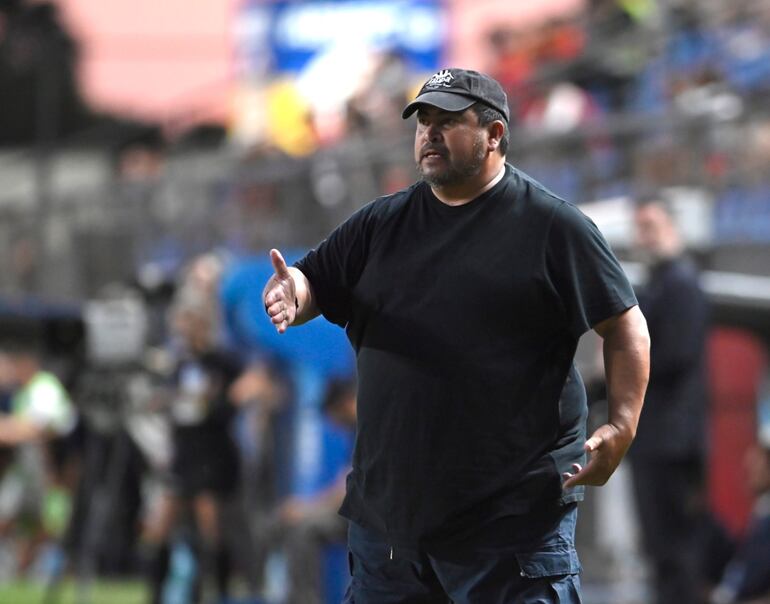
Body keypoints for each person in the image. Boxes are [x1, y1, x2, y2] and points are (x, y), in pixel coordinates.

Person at [262, 67, 650, 603]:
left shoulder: (551, 226)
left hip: (509, 527)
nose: (430, 134)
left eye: (448, 121)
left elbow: (625, 325)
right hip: (392, 531)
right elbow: (314, 280)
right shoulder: (381, 224)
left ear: (495, 135)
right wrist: (292, 293)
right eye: (423, 122)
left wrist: (623, 425)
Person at [630, 195, 710, 604]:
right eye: (640, 226)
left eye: (652, 225)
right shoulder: (659, 282)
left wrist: (621, 374)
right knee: (662, 550)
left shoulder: (680, 281)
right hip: (656, 437)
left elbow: (676, 354)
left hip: (672, 441)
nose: (645, 235)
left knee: (676, 550)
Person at [141, 294, 242, 604]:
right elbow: (170, 406)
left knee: (211, 525)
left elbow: (231, 405)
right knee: (161, 526)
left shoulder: (223, 363)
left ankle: (217, 591)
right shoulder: (178, 365)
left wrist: (212, 403)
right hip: (183, 453)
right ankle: (157, 594)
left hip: (211, 453)